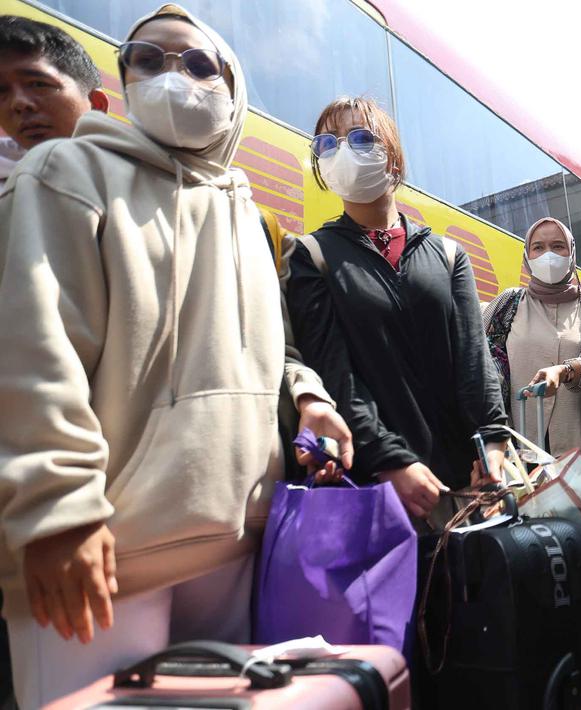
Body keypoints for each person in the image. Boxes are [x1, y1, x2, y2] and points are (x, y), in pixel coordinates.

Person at [0, 6, 350, 706]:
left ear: (231, 84)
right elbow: (36, 350)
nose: (170, 77)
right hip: (102, 558)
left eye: (194, 64)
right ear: (121, 83)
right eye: (146, 61)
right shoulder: (63, 171)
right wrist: (58, 512)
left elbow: (267, 347)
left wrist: (311, 396)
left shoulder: (250, 215)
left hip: (235, 547)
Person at [285, 95, 509, 525]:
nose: (342, 151)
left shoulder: (447, 254)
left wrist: (493, 444)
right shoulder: (311, 255)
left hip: (465, 486)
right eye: (327, 145)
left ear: (393, 157)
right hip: (374, 487)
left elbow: (474, 363)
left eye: (360, 137)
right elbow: (336, 374)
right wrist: (391, 461)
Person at [484, 218, 581, 456]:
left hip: (580, 447)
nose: (548, 255)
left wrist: (565, 371)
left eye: (558, 246)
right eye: (538, 247)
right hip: (517, 449)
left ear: (571, 253)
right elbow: (473, 355)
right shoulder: (509, 302)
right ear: (527, 256)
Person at [0, 15, 108, 182]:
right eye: (1, 92)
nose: (18, 103)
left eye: (38, 84)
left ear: (96, 105)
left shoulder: (144, 182)